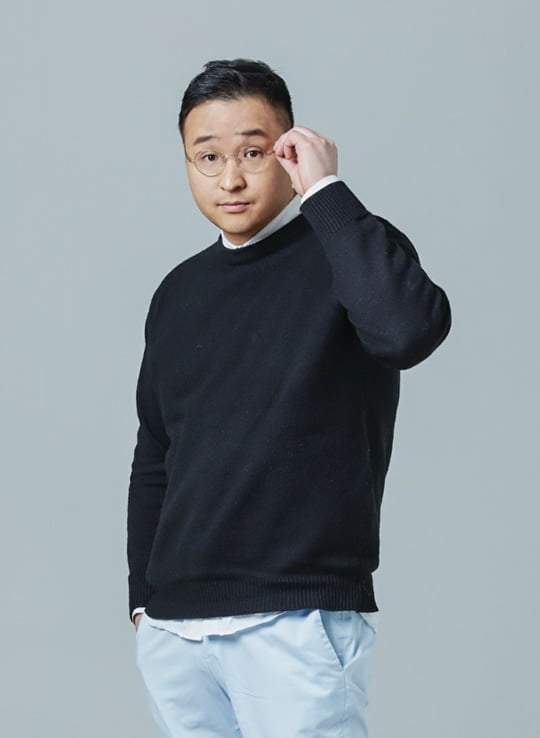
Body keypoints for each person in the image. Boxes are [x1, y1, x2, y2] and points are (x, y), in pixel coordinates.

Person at [127, 57, 452, 738]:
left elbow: (407, 332)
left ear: (289, 149)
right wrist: (144, 601)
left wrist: (325, 190)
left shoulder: (347, 248)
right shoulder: (178, 291)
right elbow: (156, 450)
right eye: (207, 156)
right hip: (176, 630)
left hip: (295, 616)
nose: (230, 178)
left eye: (252, 152)